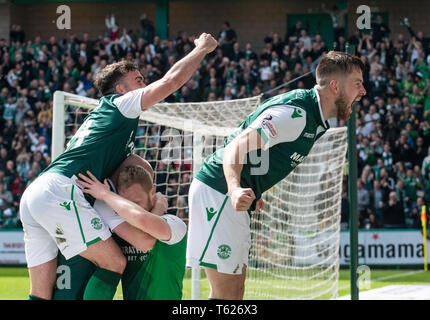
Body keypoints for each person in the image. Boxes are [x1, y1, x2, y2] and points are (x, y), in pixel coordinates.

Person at [19, 33, 217, 300]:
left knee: (40, 293)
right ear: (121, 89)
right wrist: (202, 49)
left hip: (37, 192)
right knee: (114, 263)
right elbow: (172, 81)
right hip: (60, 191)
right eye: (138, 80)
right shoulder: (120, 105)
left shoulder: (107, 123)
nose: (145, 84)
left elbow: (134, 166)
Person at [186, 50, 366, 300]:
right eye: (357, 84)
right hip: (218, 192)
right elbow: (236, 146)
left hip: (228, 195)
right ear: (335, 86)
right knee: (226, 294)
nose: (363, 91)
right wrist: (235, 187)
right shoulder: (297, 114)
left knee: (235, 293)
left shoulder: (313, 116)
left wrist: (253, 187)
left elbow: (262, 152)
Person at [54, 154, 187, 300]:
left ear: (152, 193)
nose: (130, 210)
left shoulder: (175, 224)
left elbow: (145, 235)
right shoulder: (121, 223)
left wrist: (105, 194)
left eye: (136, 203)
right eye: (125, 204)